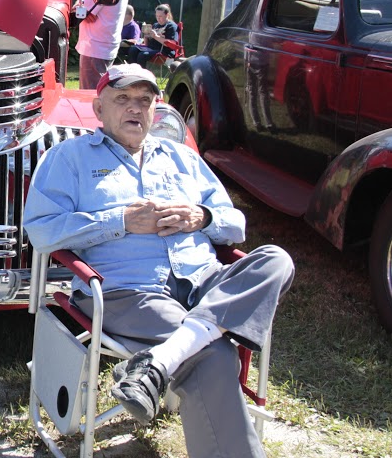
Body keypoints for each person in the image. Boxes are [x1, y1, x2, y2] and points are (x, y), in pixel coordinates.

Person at [23, 63, 294, 458]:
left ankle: (159, 362)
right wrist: (120, 221)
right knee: (213, 353)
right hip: (127, 291)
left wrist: (201, 216)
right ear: (99, 109)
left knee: (276, 259)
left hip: (203, 280)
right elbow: (42, 230)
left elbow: (236, 224)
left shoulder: (182, 158)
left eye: (145, 101)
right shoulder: (69, 159)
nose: (136, 109)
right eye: (123, 99)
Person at [126, 3, 179, 69]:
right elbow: (147, 44)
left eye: (160, 16)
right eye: (157, 16)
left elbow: (172, 44)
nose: (158, 18)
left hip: (164, 51)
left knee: (142, 55)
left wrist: (155, 36)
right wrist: (146, 36)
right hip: (152, 49)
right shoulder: (156, 25)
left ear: (167, 15)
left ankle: (143, 77)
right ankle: (133, 72)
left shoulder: (171, 26)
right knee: (133, 49)